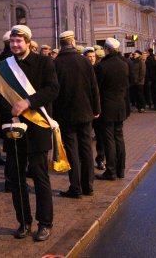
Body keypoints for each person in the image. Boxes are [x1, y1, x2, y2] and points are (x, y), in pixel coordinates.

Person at [0, 25, 59, 243]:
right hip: (13, 128)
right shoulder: (3, 66)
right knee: (16, 178)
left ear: (28, 42)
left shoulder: (44, 62)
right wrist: (11, 115)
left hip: (37, 128)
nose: (15, 45)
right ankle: (24, 221)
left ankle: (45, 223)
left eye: (19, 41)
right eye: (12, 41)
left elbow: (52, 89)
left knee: (40, 178)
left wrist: (28, 102)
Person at [53, 30, 100, 199]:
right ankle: (89, 186)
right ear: (73, 42)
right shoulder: (84, 61)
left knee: (71, 150)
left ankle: (76, 187)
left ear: (61, 44)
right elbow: (93, 87)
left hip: (65, 114)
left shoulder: (56, 63)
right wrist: (96, 109)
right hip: (86, 111)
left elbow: (54, 91)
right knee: (86, 148)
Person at [94, 38, 129, 180]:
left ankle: (111, 170)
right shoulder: (124, 64)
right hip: (120, 106)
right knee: (119, 138)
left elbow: (98, 88)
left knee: (109, 139)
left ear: (106, 49)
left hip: (107, 107)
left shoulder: (103, 66)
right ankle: (121, 169)